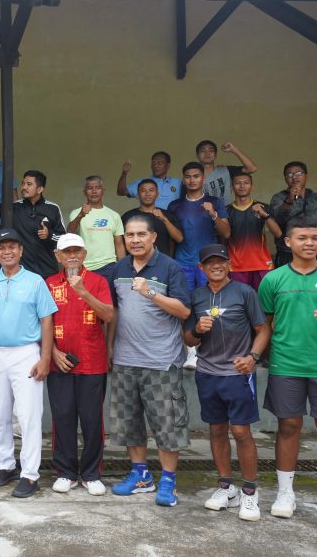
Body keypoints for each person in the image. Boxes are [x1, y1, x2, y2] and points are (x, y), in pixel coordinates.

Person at [256, 217, 317, 523]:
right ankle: (285, 493)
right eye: (302, 238)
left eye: (315, 238)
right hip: (286, 365)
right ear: (288, 242)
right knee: (288, 427)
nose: (310, 243)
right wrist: (257, 355)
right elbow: (265, 324)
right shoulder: (273, 280)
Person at [106, 213, 191, 508]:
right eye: (130, 235)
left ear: (154, 237)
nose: (135, 240)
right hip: (125, 359)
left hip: (161, 361)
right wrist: (110, 346)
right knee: (129, 422)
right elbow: (115, 311)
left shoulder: (170, 267)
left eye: (141, 234)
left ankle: (168, 480)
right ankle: (141, 475)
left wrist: (150, 291)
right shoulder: (119, 268)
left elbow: (183, 311)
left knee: (167, 424)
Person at [0, 228, 56, 498]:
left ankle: (30, 474)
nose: (7, 252)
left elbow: (47, 320)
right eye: (2, 247)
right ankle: (5, 465)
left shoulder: (35, 281)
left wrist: (45, 358)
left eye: (12, 247)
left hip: (26, 352)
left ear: (21, 250)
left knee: (28, 416)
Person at [182, 243, 269, 521]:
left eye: (221, 261)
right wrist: (198, 329)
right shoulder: (197, 296)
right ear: (201, 267)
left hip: (237, 374)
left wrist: (253, 357)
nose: (216, 266)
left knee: (241, 431)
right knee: (217, 430)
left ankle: (249, 491)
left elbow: (263, 329)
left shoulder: (244, 292)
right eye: (210, 262)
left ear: (229, 265)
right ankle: (226, 487)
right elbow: (188, 339)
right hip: (207, 373)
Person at [44, 234, 115, 496]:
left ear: (84, 254)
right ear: (58, 256)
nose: (72, 255)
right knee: (62, 418)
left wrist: (83, 291)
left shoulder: (98, 281)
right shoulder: (49, 283)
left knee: (92, 420)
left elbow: (108, 315)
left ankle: (91, 473)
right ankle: (65, 472)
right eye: (66, 251)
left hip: (92, 362)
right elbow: (42, 321)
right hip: (59, 363)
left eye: (76, 251)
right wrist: (52, 353)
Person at [168, 162, 232, 291]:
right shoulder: (174, 205)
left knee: (209, 299)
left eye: (196, 176)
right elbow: (172, 238)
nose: (192, 180)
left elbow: (226, 233)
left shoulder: (215, 202)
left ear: (204, 179)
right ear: (183, 180)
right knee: (185, 299)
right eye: (188, 177)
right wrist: (170, 261)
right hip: (182, 262)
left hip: (209, 261)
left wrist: (213, 214)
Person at [268, 161, 317, 267]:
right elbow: (278, 221)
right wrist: (289, 199)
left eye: (299, 173)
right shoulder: (279, 198)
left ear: (306, 176)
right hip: (289, 253)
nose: (294, 177)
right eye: (290, 175)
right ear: (285, 179)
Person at [226, 173, 280, 291]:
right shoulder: (227, 211)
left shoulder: (263, 207)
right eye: (237, 183)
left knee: (263, 300)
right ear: (231, 188)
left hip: (261, 264)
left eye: (246, 183)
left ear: (252, 186)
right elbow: (223, 237)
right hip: (236, 266)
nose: (242, 186)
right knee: (239, 300)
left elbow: (278, 234)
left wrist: (264, 215)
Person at [67, 176, 124, 283]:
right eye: (90, 188)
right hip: (84, 266)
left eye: (97, 188)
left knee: (108, 294)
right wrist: (81, 215)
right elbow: (70, 233)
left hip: (109, 266)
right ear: (84, 192)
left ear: (103, 191)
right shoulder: (76, 213)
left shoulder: (114, 215)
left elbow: (119, 244)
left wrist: (123, 268)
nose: (94, 191)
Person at [12, 170, 66, 279]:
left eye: (29, 184)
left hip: (48, 269)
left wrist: (49, 235)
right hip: (23, 272)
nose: (24, 187)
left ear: (40, 189)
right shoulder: (15, 208)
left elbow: (63, 238)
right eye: (23, 184)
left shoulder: (52, 208)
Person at [121, 179, 184, 257]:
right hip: (135, 262)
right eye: (143, 191)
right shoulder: (128, 216)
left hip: (161, 262)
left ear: (157, 194)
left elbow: (179, 239)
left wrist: (165, 220)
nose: (147, 194)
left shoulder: (167, 215)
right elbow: (120, 243)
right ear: (137, 195)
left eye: (151, 190)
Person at [116, 151, 182, 210]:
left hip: (171, 219)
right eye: (153, 163)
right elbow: (121, 192)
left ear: (168, 165)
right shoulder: (143, 183)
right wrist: (124, 173)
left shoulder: (178, 182)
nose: (155, 166)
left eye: (159, 163)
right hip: (149, 218)